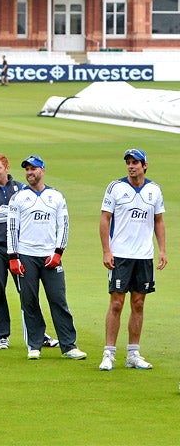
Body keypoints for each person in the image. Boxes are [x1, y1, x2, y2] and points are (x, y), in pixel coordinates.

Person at [7, 155, 87, 360]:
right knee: (29, 300)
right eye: (26, 170)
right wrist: (13, 257)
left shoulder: (56, 196)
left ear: (42, 170)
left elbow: (64, 225)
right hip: (26, 255)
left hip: (50, 256)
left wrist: (58, 252)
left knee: (58, 300)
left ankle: (69, 346)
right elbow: (12, 228)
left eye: (33, 169)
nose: (29, 173)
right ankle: (34, 345)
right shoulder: (18, 197)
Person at [0, 153, 59, 351]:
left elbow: (26, 213)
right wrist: (11, 211)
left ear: (7, 168)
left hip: (20, 246)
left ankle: (39, 335)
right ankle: (2, 336)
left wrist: (1, 210)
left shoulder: (20, 188)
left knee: (28, 292)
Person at [97, 148, 166, 371]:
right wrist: (107, 251)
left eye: (135, 162)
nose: (131, 166)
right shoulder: (116, 187)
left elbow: (158, 221)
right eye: (128, 162)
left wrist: (162, 250)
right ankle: (109, 353)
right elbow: (105, 219)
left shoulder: (154, 190)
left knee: (139, 303)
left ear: (145, 165)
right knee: (116, 303)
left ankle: (133, 354)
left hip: (144, 256)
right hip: (121, 255)